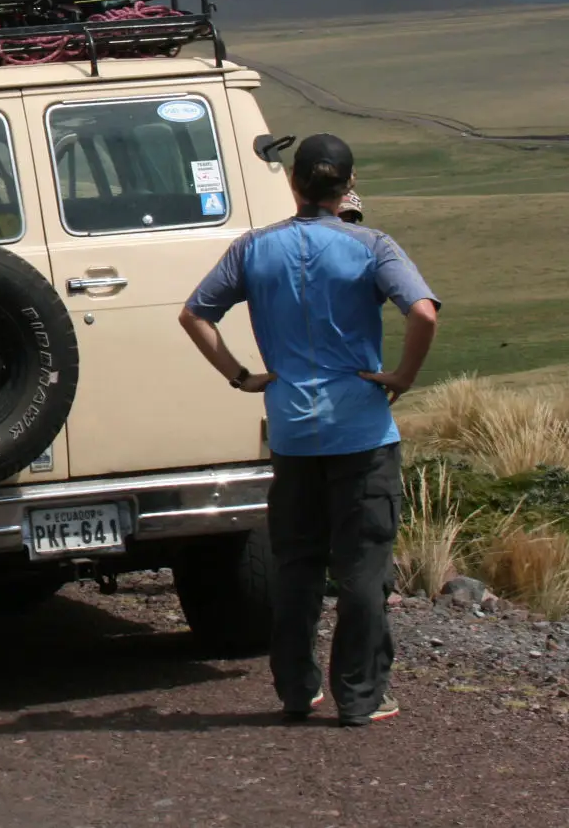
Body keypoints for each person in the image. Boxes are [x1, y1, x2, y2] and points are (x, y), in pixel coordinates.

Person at [177, 134, 439, 727]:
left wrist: (241, 376)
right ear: (348, 185)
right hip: (362, 431)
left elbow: (194, 314)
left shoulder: (253, 248)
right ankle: (360, 696)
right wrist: (403, 375)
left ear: (294, 182)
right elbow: (423, 312)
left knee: (297, 564)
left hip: (293, 432)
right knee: (363, 566)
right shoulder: (372, 245)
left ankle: (296, 689)